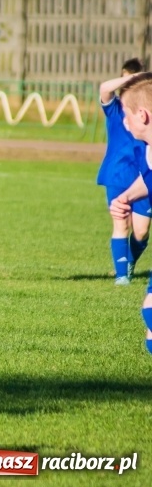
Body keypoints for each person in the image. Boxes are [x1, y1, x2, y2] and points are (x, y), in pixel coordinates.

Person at [110, 72, 152, 354]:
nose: (123, 122)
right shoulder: (148, 151)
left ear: (143, 115)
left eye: (127, 115)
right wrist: (126, 196)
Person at [97, 58, 149, 285]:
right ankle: (122, 276)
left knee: (141, 232)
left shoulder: (144, 111)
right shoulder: (116, 109)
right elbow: (104, 88)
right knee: (121, 222)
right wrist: (132, 79)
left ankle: (128, 262)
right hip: (117, 173)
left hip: (142, 174)